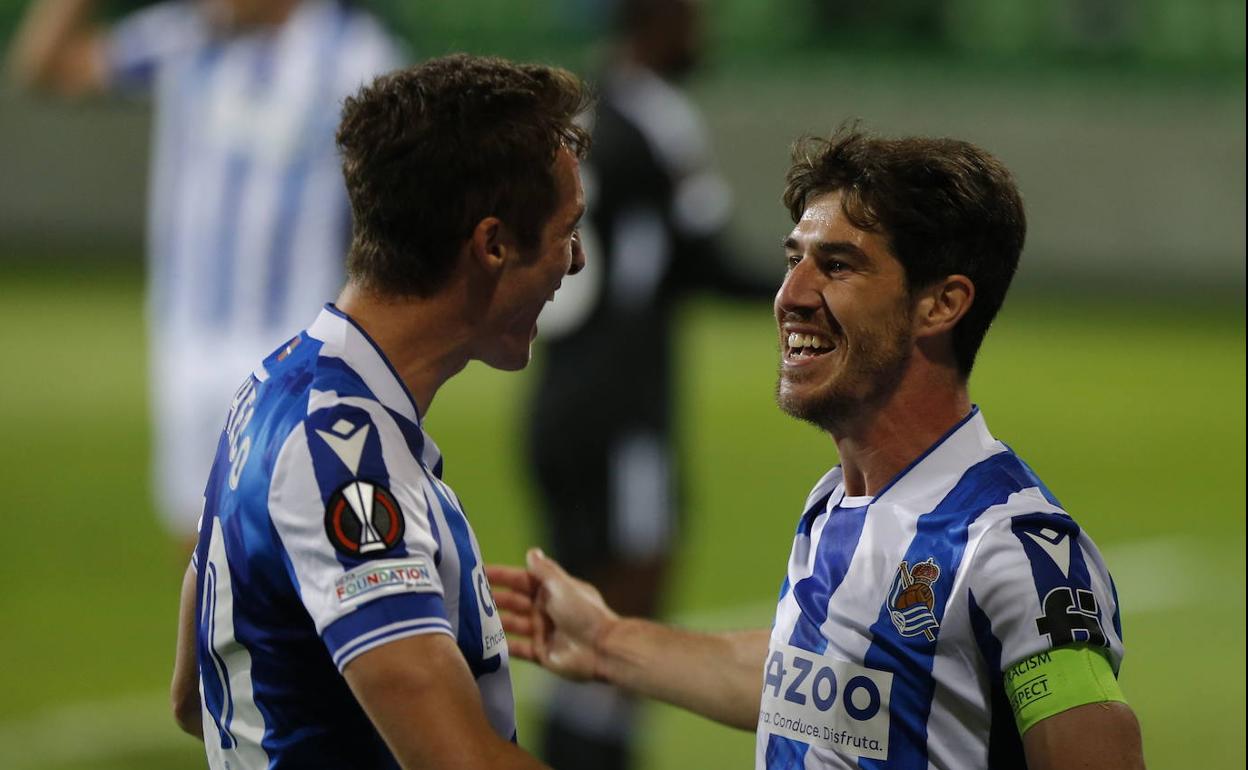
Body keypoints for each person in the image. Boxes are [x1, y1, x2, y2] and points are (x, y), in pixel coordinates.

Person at [490, 128, 1147, 769]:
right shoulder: (837, 502)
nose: (791, 296)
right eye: (792, 260)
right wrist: (609, 642)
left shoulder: (1015, 554)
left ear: (940, 305)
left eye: (836, 266)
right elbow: (806, 680)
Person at [167, 54, 591, 768]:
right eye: (564, 231)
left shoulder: (279, 387)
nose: (573, 262)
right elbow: (458, 761)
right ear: (492, 245)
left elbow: (193, 696)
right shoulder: (338, 451)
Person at [7, 0, 402, 548]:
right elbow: (43, 69)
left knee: (300, 543)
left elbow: (393, 192)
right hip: (188, 335)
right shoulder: (183, 37)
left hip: (293, 339)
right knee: (198, 542)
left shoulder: (354, 53)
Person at [526, 1, 765, 765]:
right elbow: (705, 260)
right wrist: (823, 289)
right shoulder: (659, 117)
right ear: (656, 17)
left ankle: (570, 745)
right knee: (631, 582)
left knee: (574, 584)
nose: (704, 30)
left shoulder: (579, 112)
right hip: (624, 401)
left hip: (555, 391)